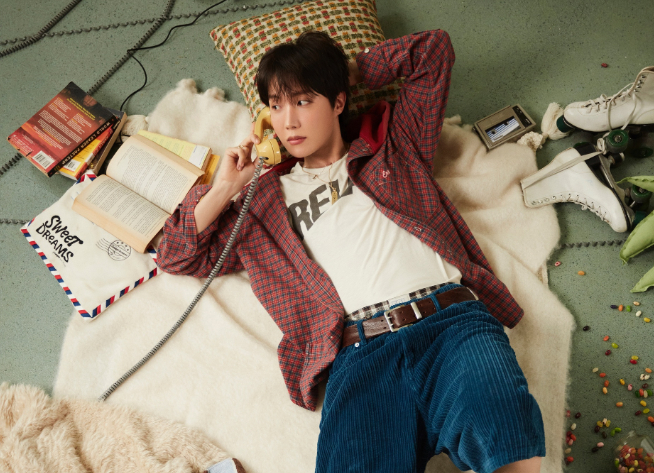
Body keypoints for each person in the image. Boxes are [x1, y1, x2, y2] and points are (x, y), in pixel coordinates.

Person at [157, 29, 545, 473]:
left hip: (451, 326)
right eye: (276, 106)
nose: (288, 121)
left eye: (303, 101)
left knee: (510, 446)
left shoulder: (393, 144)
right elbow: (177, 255)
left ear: (338, 102)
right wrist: (226, 187)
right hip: (361, 356)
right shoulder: (260, 204)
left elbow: (432, 52)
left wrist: (344, 72)